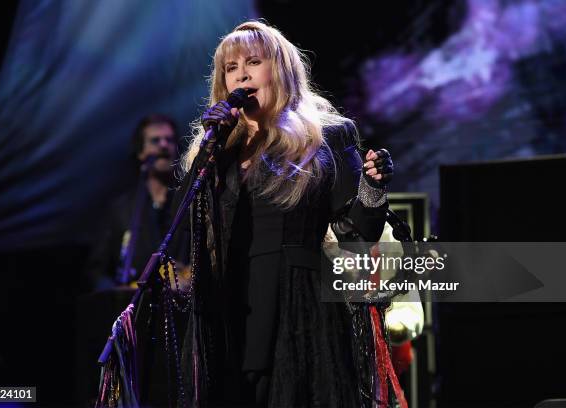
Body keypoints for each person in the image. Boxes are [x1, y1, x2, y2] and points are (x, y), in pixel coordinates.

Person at [168, 21, 395, 407]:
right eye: (231, 67)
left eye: (254, 62)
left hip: (299, 306)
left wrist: (372, 189)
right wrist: (210, 149)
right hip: (227, 308)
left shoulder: (327, 136)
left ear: (281, 70)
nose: (241, 73)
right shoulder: (218, 148)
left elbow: (357, 235)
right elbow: (180, 236)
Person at [85, 114, 188, 289]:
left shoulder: (188, 200)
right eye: (155, 140)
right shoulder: (121, 210)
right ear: (141, 153)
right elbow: (96, 271)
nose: (164, 145)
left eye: (169, 140)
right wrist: (119, 294)